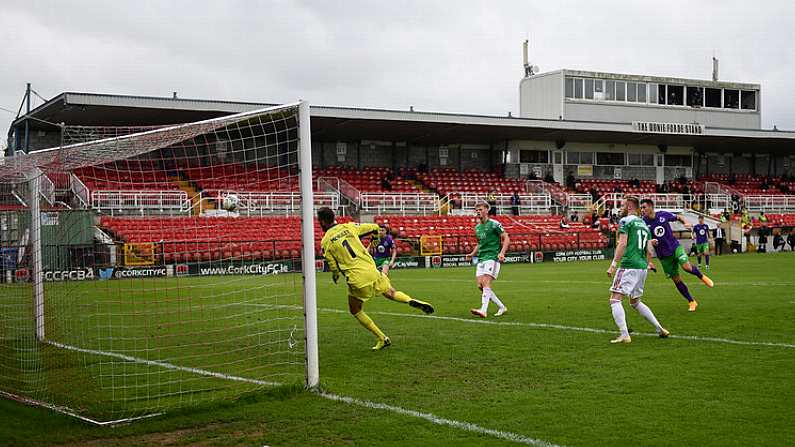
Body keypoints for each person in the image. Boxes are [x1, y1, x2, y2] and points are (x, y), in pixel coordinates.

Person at [318, 207, 434, 350]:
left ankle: (382, 338)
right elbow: (375, 228)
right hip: (372, 270)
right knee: (391, 292)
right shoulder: (349, 226)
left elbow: (333, 266)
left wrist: (335, 276)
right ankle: (410, 300)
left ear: (322, 221)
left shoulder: (325, 242)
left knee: (355, 310)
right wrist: (373, 241)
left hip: (357, 278)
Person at [607, 196, 669, 344]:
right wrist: (648, 264)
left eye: (622, 205)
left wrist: (613, 264)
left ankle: (624, 335)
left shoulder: (625, 221)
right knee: (635, 302)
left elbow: (622, 244)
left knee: (615, 299)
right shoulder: (644, 224)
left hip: (629, 265)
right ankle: (660, 328)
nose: (621, 208)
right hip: (642, 267)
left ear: (629, 206)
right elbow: (649, 250)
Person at [640, 199, 714, 312]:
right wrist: (649, 260)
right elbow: (647, 244)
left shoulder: (663, 215)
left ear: (651, 207)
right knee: (676, 279)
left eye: (644, 207)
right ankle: (691, 301)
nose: (642, 210)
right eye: (641, 208)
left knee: (687, 267)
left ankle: (701, 277)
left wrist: (685, 223)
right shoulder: (644, 223)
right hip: (663, 256)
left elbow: (678, 217)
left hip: (675, 248)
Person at [466, 203, 509, 318]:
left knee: (486, 283)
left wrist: (502, 253)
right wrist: (472, 254)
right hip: (481, 258)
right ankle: (502, 307)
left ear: (486, 210)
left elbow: (506, 237)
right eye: (476, 210)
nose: (478, 212)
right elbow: (480, 243)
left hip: (492, 257)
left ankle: (483, 310)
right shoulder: (477, 227)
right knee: (481, 286)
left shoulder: (494, 224)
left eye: (480, 209)